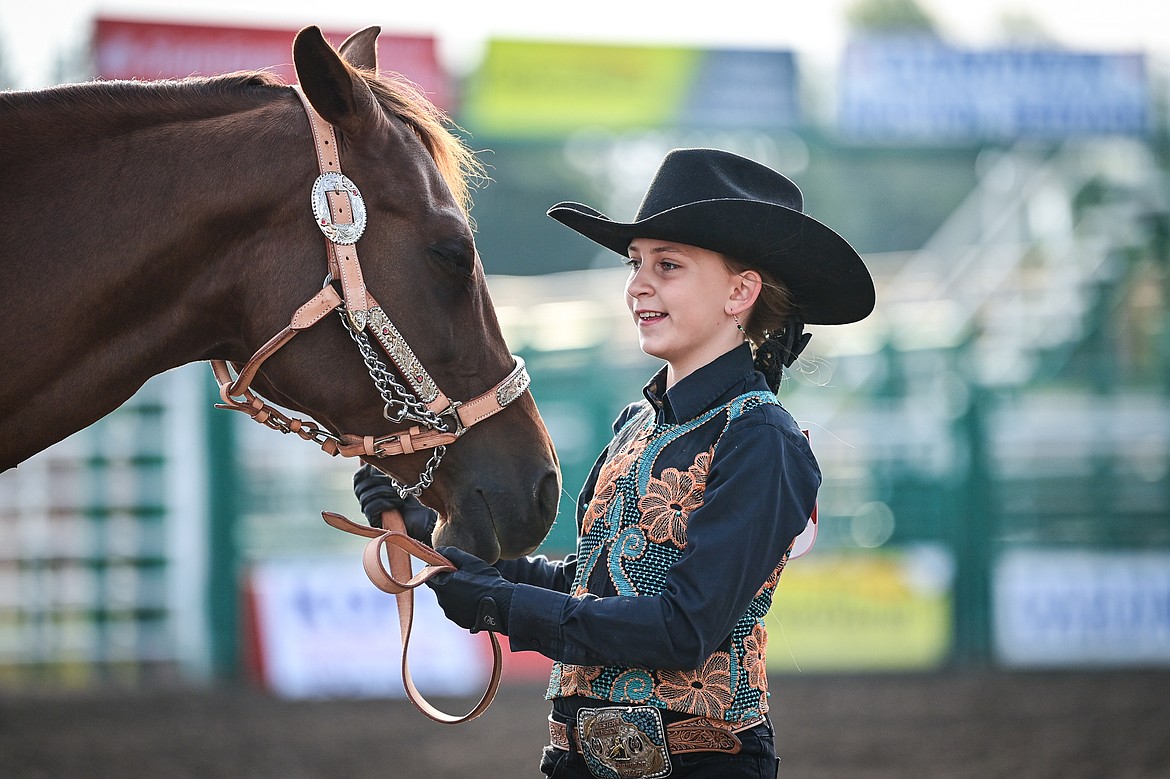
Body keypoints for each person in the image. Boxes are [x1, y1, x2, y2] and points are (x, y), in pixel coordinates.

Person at [354, 147, 874, 778]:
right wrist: (449, 549)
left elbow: (682, 628)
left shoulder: (762, 438)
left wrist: (498, 604)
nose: (639, 285)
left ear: (741, 291)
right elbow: (598, 583)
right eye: (637, 264)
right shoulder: (638, 425)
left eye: (669, 265)